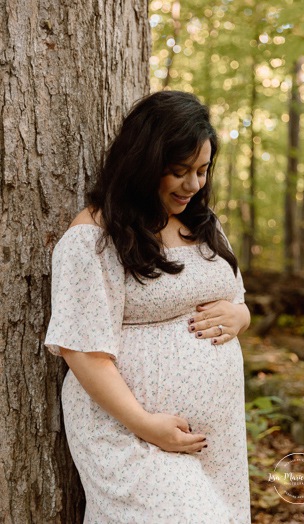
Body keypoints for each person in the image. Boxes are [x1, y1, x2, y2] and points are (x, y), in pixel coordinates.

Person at [44, 91, 251, 522]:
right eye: (179, 172)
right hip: (130, 432)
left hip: (217, 437)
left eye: (202, 170)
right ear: (143, 163)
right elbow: (82, 350)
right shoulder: (94, 238)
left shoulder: (202, 223)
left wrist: (241, 316)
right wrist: (145, 424)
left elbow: (237, 299)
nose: (193, 186)